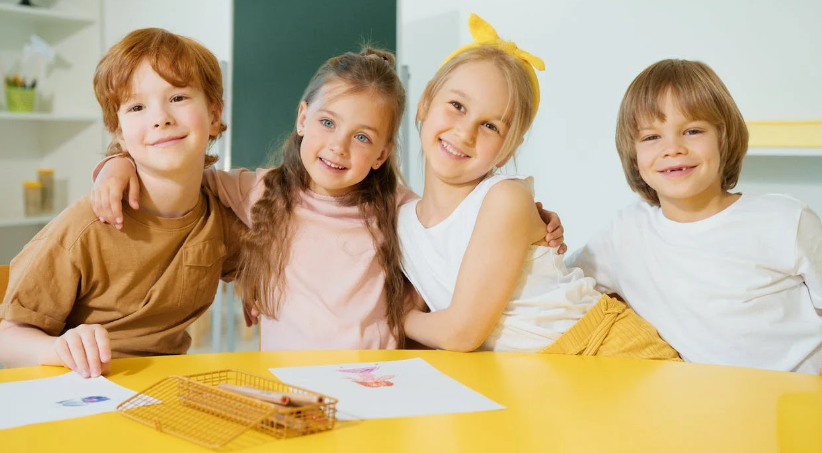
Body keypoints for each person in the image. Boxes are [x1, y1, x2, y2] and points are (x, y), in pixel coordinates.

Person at [399, 14, 680, 361]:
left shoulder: (504, 199)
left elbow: (461, 332)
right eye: (457, 106)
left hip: (604, 349)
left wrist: (402, 318)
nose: (465, 132)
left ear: (508, 150)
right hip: (536, 372)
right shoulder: (401, 222)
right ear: (426, 101)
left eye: (490, 125)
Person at [0, 28, 242, 377]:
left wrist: (258, 289)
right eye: (137, 106)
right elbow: (8, 337)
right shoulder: (87, 225)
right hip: (81, 390)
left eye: (178, 98)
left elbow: (259, 265)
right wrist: (58, 347)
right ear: (118, 132)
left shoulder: (220, 215)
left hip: (166, 388)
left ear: (215, 113)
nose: (161, 118)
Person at [567, 59, 822, 373]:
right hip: (703, 409)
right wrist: (538, 229)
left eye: (692, 130)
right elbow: (560, 286)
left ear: (723, 138)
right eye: (651, 137)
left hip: (796, 404)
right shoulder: (624, 234)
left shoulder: (786, 220)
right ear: (633, 156)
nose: (672, 148)